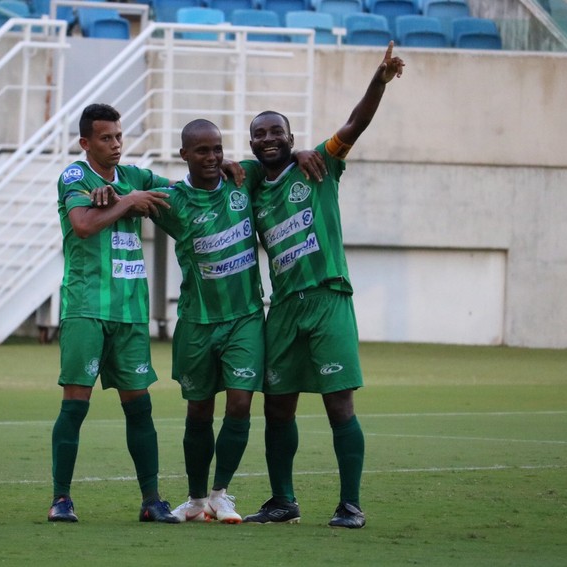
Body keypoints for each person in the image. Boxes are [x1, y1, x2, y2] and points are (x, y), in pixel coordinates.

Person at [241, 42, 405, 527]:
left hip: (329, 299)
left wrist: (378, 81)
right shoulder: (250, 188)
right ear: (250, 143)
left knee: (339, 404)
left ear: (292, 137)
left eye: (277, 131)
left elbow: (356, 124)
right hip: (284, 308)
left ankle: (351, 504)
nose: (268, 138)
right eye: (259, 134)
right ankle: (283, 501)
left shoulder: (320, 166)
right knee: (277, 408)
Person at [49, 103, 179, 524]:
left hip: (130, 311)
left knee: (139, 407)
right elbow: (83, 225)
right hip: (86, 307)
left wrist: (228, 168)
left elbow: (176, 193)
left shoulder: (135, 177)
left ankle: (152, 499)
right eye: (106, 138)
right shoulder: (75, 176)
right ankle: (62, 499)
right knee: (75, 405)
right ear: (86, 143)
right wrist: (129, 203)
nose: (116, 144)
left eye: (119, 136)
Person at [149, 119, 266, 524]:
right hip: (196, 322)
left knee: (240, 403)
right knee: (198, 412)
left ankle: (221, 494)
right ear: (184, 155)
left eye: (218, 149)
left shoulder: (242, 180)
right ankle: (197, 500)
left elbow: (280, 162)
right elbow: (129, 190)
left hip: (245, 317)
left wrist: (301, 152)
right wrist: (108, 192)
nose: (213, 157)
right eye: (202, 150)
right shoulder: (172, 200)